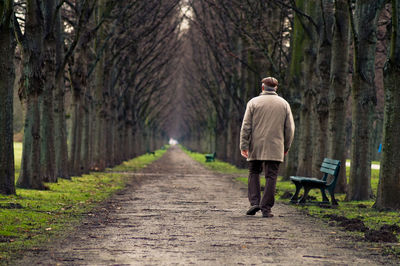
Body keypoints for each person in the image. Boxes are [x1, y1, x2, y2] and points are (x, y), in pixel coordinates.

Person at [240, 77, 295, 218]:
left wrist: (244, 145)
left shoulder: (253, 102)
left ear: (262, 87)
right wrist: (286, 146)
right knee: (271, 176)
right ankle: (266, 209)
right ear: (276, 88)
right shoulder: (284, 104)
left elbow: (246, 126)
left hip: (255, 145)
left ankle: (254, 202)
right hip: (275, 146)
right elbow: (290, 129)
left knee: (254, 172)